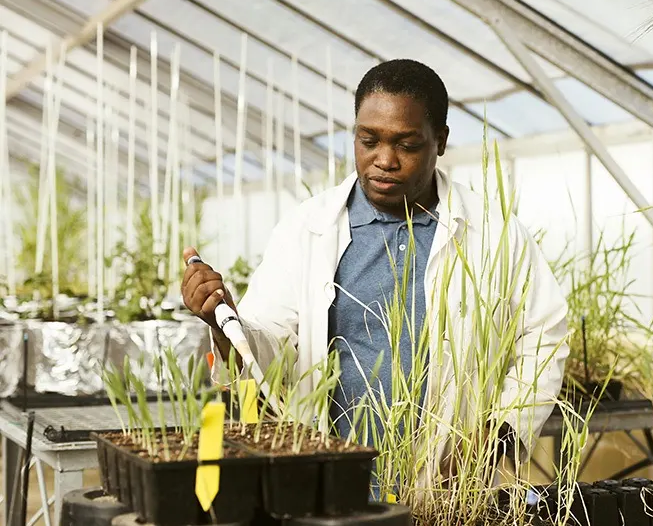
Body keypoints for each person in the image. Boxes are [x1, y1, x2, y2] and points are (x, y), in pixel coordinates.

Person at [180, 59, 568, 489]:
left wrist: (499, 435)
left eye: (407, 144)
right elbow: (264, 348)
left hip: (450, 484)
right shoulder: (307, 229)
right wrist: (223, 323)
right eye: (369, 141)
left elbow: (545, 334)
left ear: (439, 140)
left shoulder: (492, 231)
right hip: (335, 477)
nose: (384, 160)